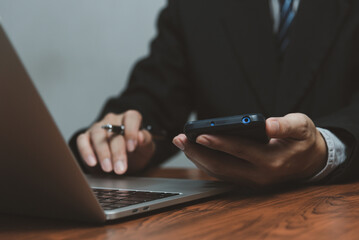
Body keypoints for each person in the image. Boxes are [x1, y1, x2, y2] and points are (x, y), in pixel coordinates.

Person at [70, 0, 359, 187]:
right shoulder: (195, 7)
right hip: (228, 214)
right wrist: (127, 138)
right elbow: (154, 95)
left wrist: (327, 151)